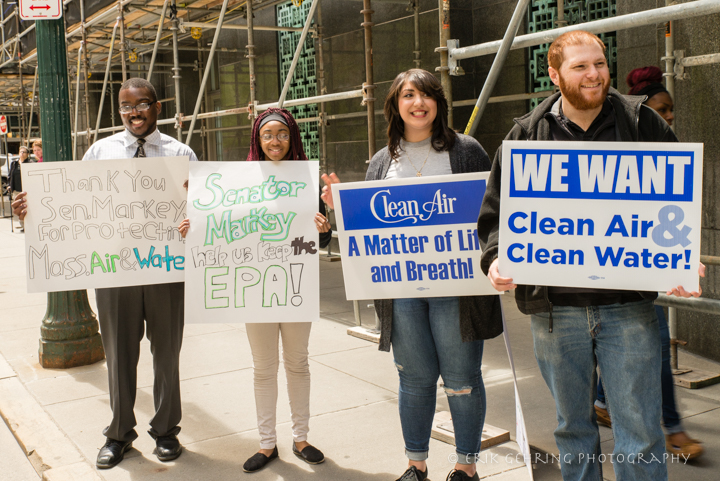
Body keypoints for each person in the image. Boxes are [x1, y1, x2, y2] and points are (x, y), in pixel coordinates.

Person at [477, 31, 704, 481]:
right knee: (573, 430)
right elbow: (494, 216)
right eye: (580, 66)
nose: (594, 74)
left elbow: (675, 200)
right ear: (554, 73)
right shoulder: (524, 136)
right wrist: (496, 259)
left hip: (628, 307)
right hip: (555, 312)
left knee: (639, 431)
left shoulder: (643, 124)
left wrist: (682, 255)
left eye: (599, 63)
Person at [322, 69, 503, 481]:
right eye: (408, 95)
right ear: (396, 104)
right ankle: (415, 465)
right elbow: (366, 233)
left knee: (461, 380)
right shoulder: (383, 161)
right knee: (414, 378)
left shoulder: (467, 151)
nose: (418, 103)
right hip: (401, 292)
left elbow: (492, 214)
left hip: (457, 292)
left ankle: (465, 467)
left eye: (426, 95)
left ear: (437, 103)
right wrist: (341, 210)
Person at [13, 77, 198, 469]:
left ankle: (166, 432)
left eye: (142, 104)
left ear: (157, 107)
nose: (134, 113)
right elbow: (72, 203)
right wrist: (35, 210)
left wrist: (195, 220)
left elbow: (202, 207)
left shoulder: (182, 153)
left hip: (166, 269)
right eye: (126, 107)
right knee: (118, 355)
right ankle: (119, 435)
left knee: (167, 354)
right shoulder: (100, 151)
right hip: (114, 271)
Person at [178, 107, 332, 473]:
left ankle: (301, 437)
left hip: (294, 285)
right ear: (257, 140)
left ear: (292, 137)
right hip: (255, 289)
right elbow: (218, 228)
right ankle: (266, 444)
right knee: (263, 368)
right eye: (267, 135)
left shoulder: (305, 180)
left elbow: (319, 242)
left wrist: (323, 228)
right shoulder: (238, 181)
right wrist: (193, 228)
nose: (275, 141)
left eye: (281, 134)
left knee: (298, 363)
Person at [593, 65, 703, 461]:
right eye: (663, 110)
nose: (669, 116)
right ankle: (672, 428)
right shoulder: (621, 140)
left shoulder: (661, 148)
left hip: (641, 268)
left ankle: (607, 402)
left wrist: (680, 253)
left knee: (642, 344)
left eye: (671, 110)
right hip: (612, 267)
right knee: (650, 347)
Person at [7, 145, 32, 231]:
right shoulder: (14, 163)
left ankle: (27, 226)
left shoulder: (30, 163)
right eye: (20, 151)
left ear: (27, 154)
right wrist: (9, 185)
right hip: (16, 190)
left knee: (25, 207)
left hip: (25, 190)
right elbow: (10, 175)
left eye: (24, 152)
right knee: (18, 208)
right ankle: (22, 225)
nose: (21, 153)